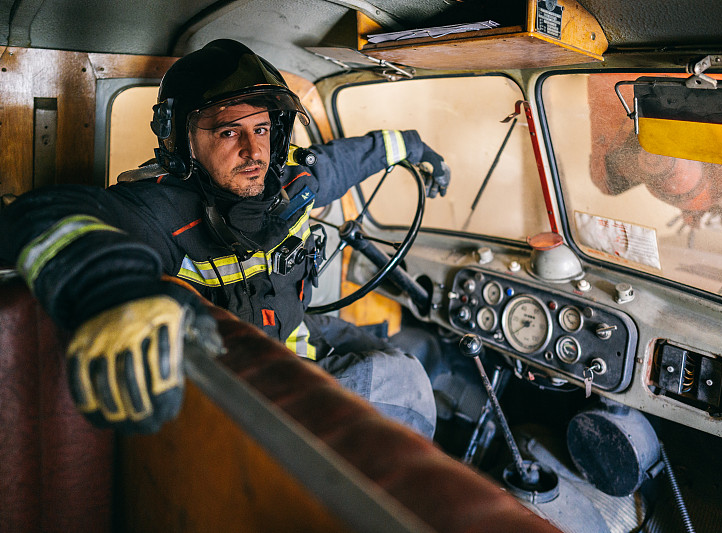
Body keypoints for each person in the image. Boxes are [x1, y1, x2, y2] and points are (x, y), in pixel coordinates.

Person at [0, 39, 450, 437]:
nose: (254, 152)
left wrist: (411, 146)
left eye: (262, 129)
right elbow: (42, 213)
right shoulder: (161, 209)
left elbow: (348, 160)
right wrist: (113, 289)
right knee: (408, 387)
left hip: (298, 330)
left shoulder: (292, 177)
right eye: (229, 131)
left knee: (418, 350)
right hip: (247, 379)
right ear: (183, 140)